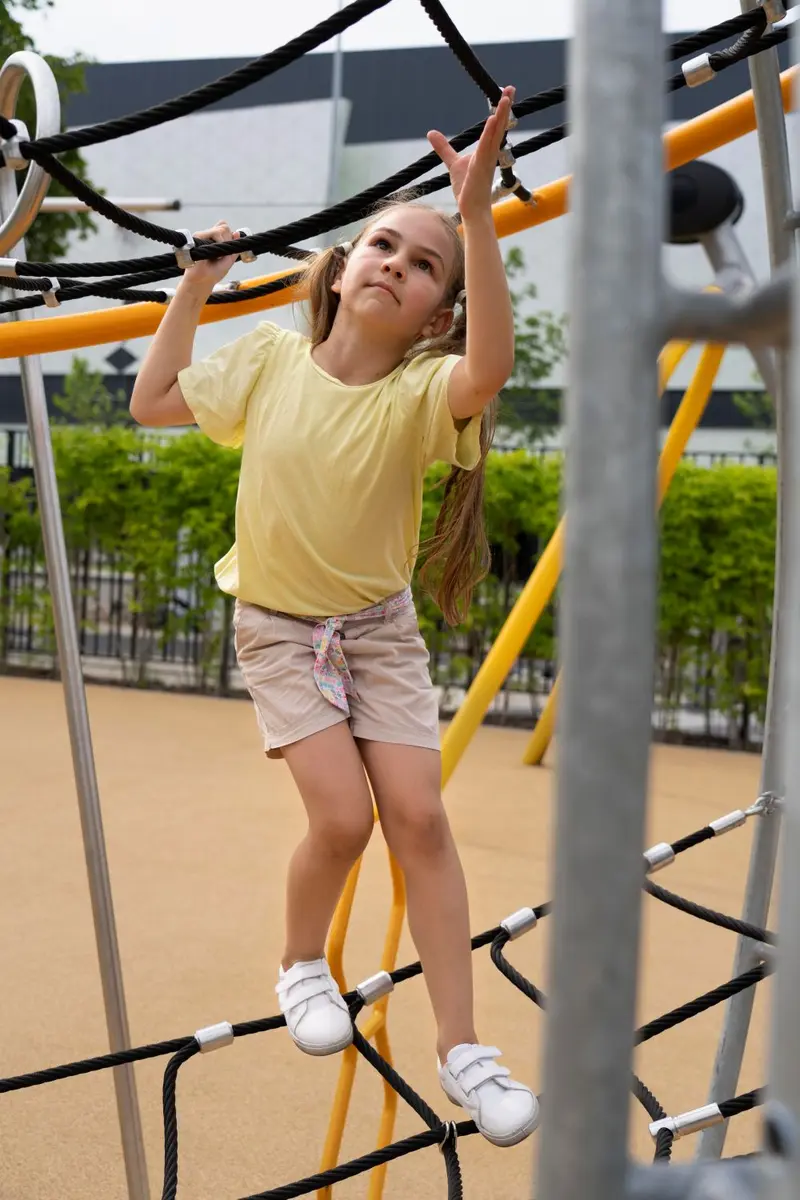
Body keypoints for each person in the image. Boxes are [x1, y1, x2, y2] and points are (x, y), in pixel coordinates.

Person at [130, 85, 539, 1148]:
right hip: (277, 625)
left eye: (420, 263)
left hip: (375, 629)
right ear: (343, 264)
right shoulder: (268, 362)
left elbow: (489, 367)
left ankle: (463, 1049)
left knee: (420, 820)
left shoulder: (420, 396)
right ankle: (301, 964)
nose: (393, 263)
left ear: (435, 312)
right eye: (381, 245)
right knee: (343, 820)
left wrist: (478, 215)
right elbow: (155, 400)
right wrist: (195, 286)